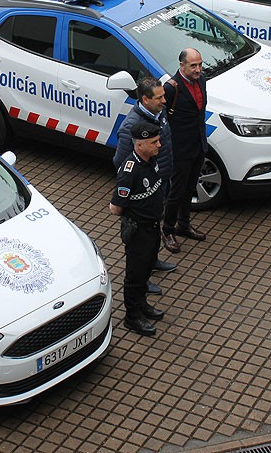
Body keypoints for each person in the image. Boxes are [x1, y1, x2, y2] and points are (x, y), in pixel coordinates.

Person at [112, 77, 177, 292]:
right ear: (145, 99)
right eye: (159, 97)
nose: (164, 101)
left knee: (155, 224)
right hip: (145, 191)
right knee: (141, 241)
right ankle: (143, 278)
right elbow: (121, 161)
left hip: (160, 180)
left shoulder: (158, 112)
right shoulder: (131, 126)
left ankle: (153, 260)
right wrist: (142, 182)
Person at [109, 121, 167, 337]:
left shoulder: (152, 160)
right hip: (138, 231)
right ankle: (132, 317)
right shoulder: (129, 171)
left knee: (145, 271)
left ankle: (142, 305)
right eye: (154, 142)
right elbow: (116, 208)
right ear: (140, 145)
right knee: (135, 275)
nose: (159, 145)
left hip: (152, 228)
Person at [161, 48, 208, 253]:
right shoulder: (171, 88)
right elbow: (163, 120)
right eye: (193, 66)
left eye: (200, 64)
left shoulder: (202, 80)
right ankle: (168, 230)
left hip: (198, 145)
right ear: (182, 66)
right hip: (180, 149)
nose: (198, 69)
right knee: (176, 191)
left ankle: (184, 224)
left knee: (190, 188)